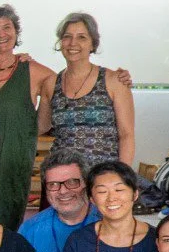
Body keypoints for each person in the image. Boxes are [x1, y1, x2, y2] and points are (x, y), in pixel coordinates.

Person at [0, 5, 56, 231]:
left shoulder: (35, 71)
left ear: (16, 31)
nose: (1, 34)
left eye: (7, 27)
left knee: (7, 224)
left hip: (15, 161)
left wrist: (118, 77)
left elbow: (71, 86)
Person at [46, 12, 136, 168]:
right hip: (62, 174)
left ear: (93, 44)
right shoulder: (51, 83)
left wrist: (121, 175)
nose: (73, 43)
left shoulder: (114, 81)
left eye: (82, 37)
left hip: (103, 174)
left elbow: (127, 135)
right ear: (60, 42)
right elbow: (39, 126)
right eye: (67, 37)